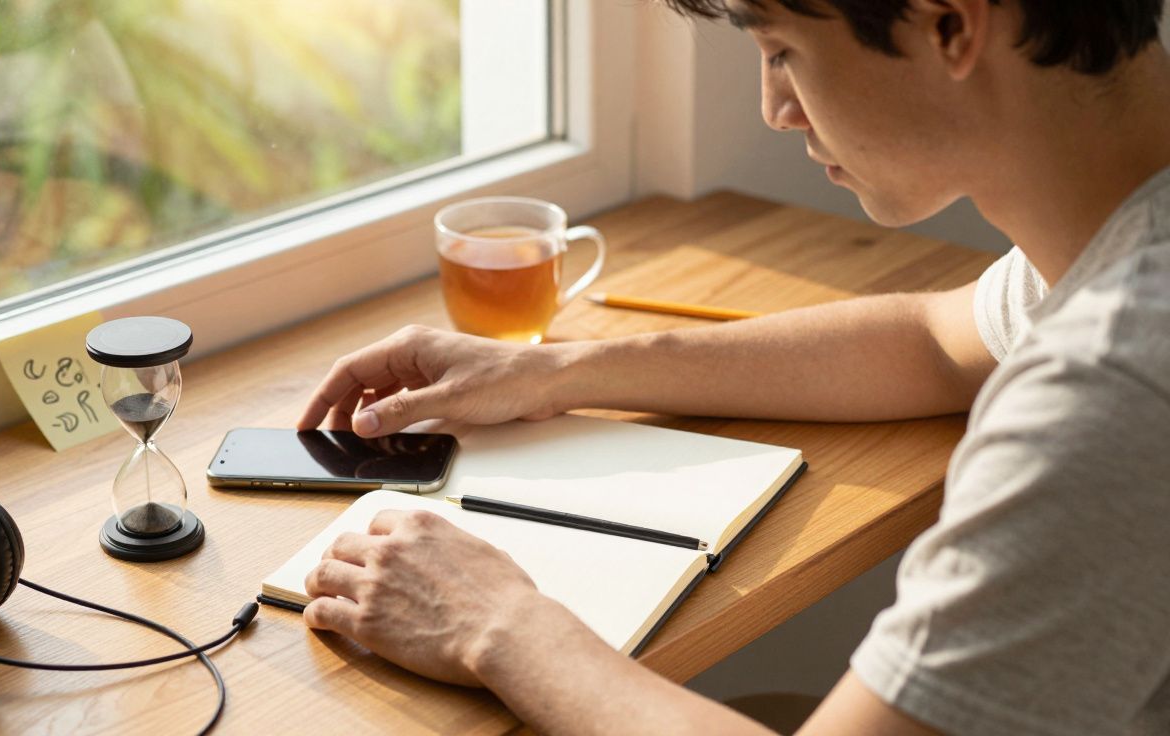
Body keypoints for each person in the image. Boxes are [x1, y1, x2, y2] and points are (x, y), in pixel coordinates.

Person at [295, 1, 1170, 733]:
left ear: (949, 23)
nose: (774, 107)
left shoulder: (1113, 382)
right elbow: (938, 339)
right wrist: (555, 372)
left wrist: (501, 627)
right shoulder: (1122, 236)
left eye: (782, 51)